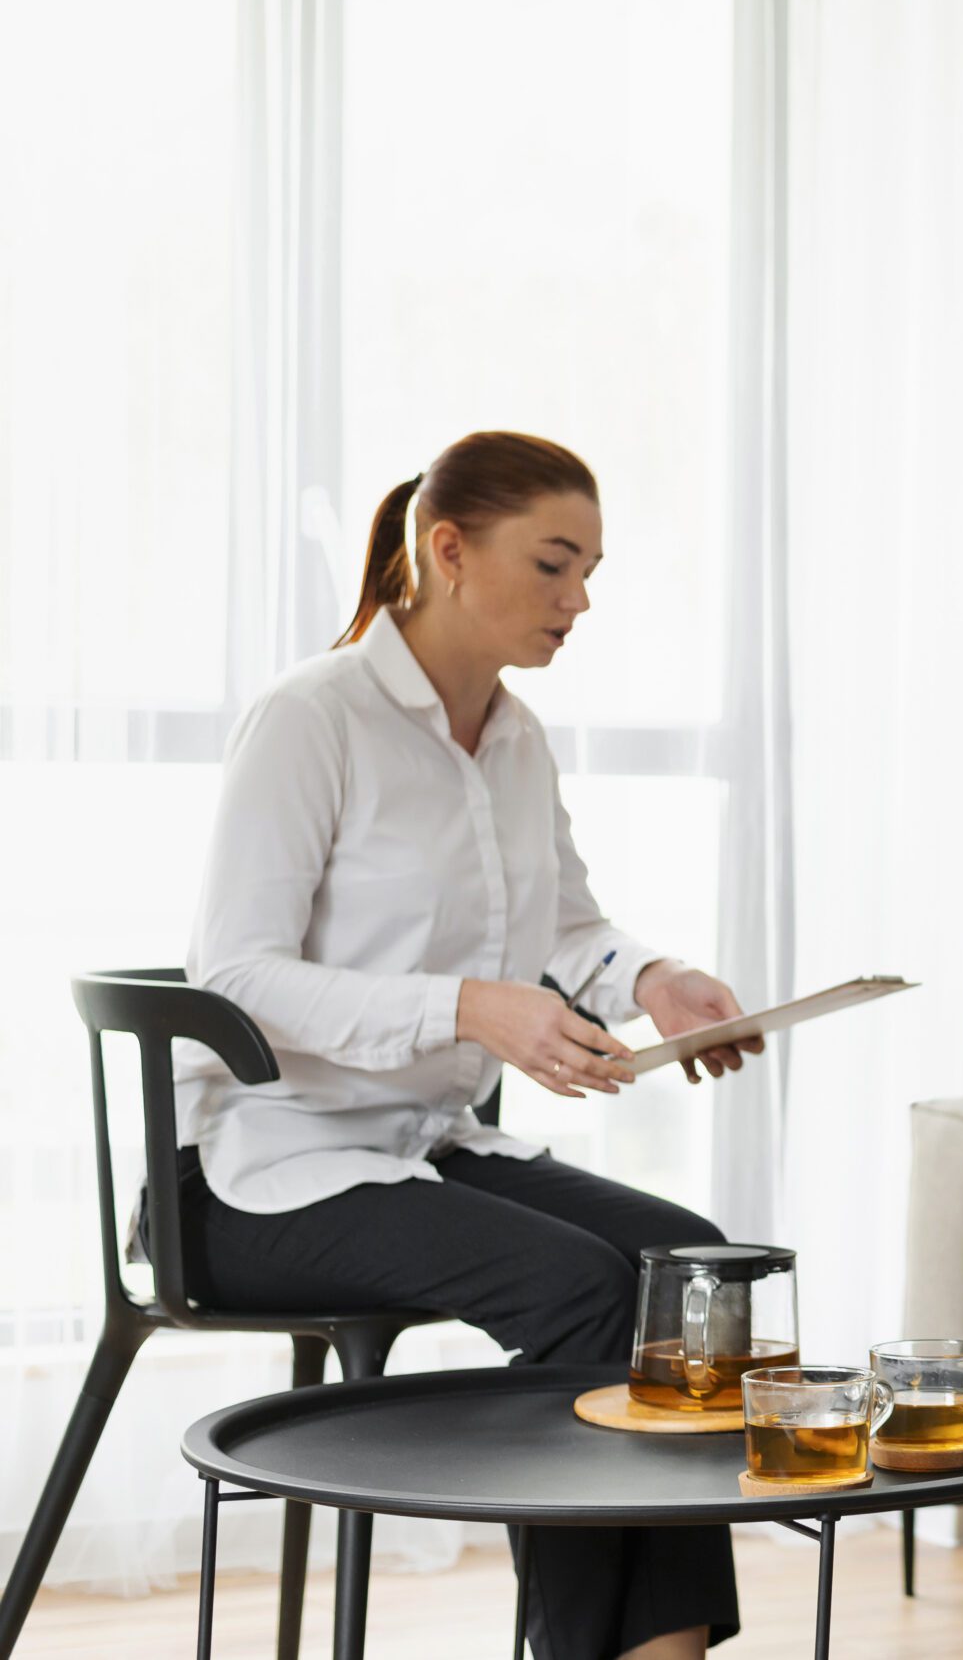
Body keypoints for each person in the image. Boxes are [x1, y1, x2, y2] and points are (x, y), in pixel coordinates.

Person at [176, 431, 763, 1660]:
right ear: (448, 551)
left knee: (695, 1264)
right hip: (265, 1172)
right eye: (555, 564)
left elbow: (570, 923)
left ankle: (666, 1649)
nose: (580, 598)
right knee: (582, 1288)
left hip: (426, 1143)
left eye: (590, 568)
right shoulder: (312, 718)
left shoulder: (514, 735)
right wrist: (465, 1006)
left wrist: (655, 979)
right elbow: (233, 972)